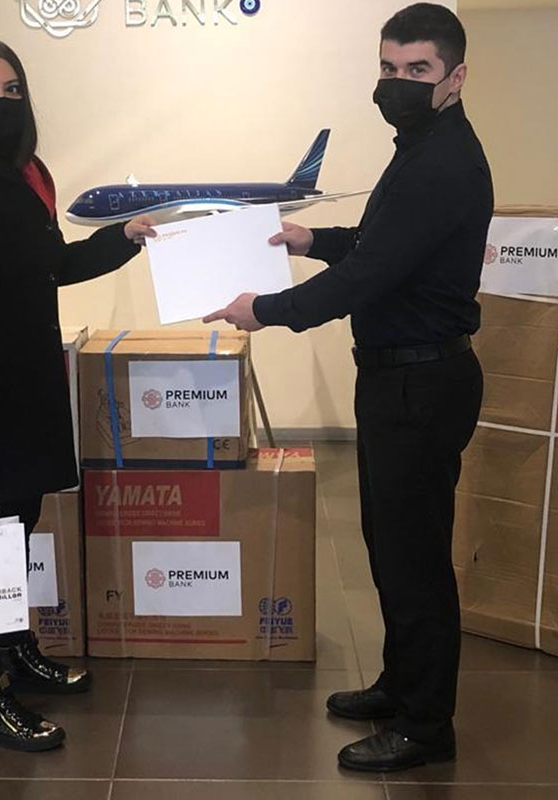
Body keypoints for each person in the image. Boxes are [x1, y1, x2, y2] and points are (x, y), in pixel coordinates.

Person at [205, 3, 492, 773]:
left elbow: (370, 275)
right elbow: (377, 245)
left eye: (418, 69)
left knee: (415, 558)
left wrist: (266, 309)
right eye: (389, 68)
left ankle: (426, 726)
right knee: (389, 545)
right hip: (399, 378)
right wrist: (311, 239)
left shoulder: (443, 163)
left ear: (456, 77)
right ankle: (402, 684)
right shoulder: (420, 147)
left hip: (422, 383)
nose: (398, 82)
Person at [0, 35, 155, 752]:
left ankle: (15, 653)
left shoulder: (25, 175)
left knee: (18, 524)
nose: (0, 102)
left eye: (11, 89)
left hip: (32, 385)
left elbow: (54, 265)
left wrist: (125, 236)